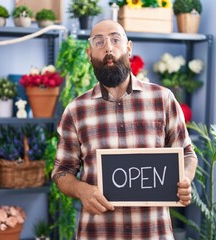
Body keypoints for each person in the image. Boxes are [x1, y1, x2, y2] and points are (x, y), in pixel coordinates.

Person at [51, 19, 198, 239]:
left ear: (129, 48)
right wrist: (82, 190)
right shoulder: (76, 110)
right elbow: (61, 171)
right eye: (99, 42)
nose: (108, 47)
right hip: (98, 233)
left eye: (115, 39)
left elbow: (187, 154)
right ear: (90, 54)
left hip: (153, 232)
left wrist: (184, 178)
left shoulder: (163, 99)